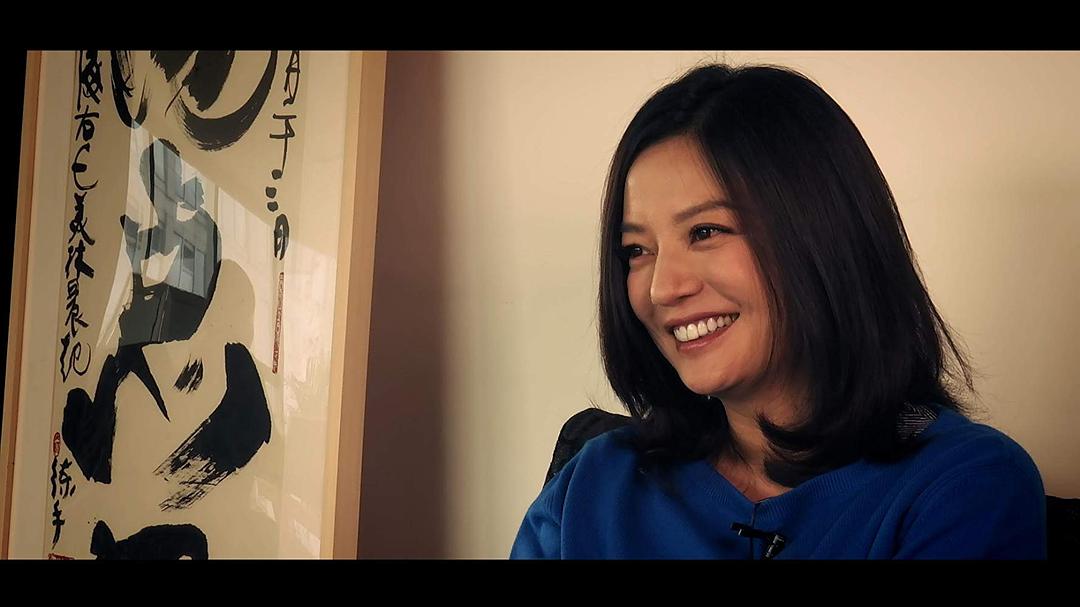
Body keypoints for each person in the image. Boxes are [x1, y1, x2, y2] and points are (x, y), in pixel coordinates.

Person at [510, 63, 1046, 559]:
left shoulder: (966, 486)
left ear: (824, 237)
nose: (662, 289)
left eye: (706, 231)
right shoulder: (591, 485)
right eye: (636, 250)